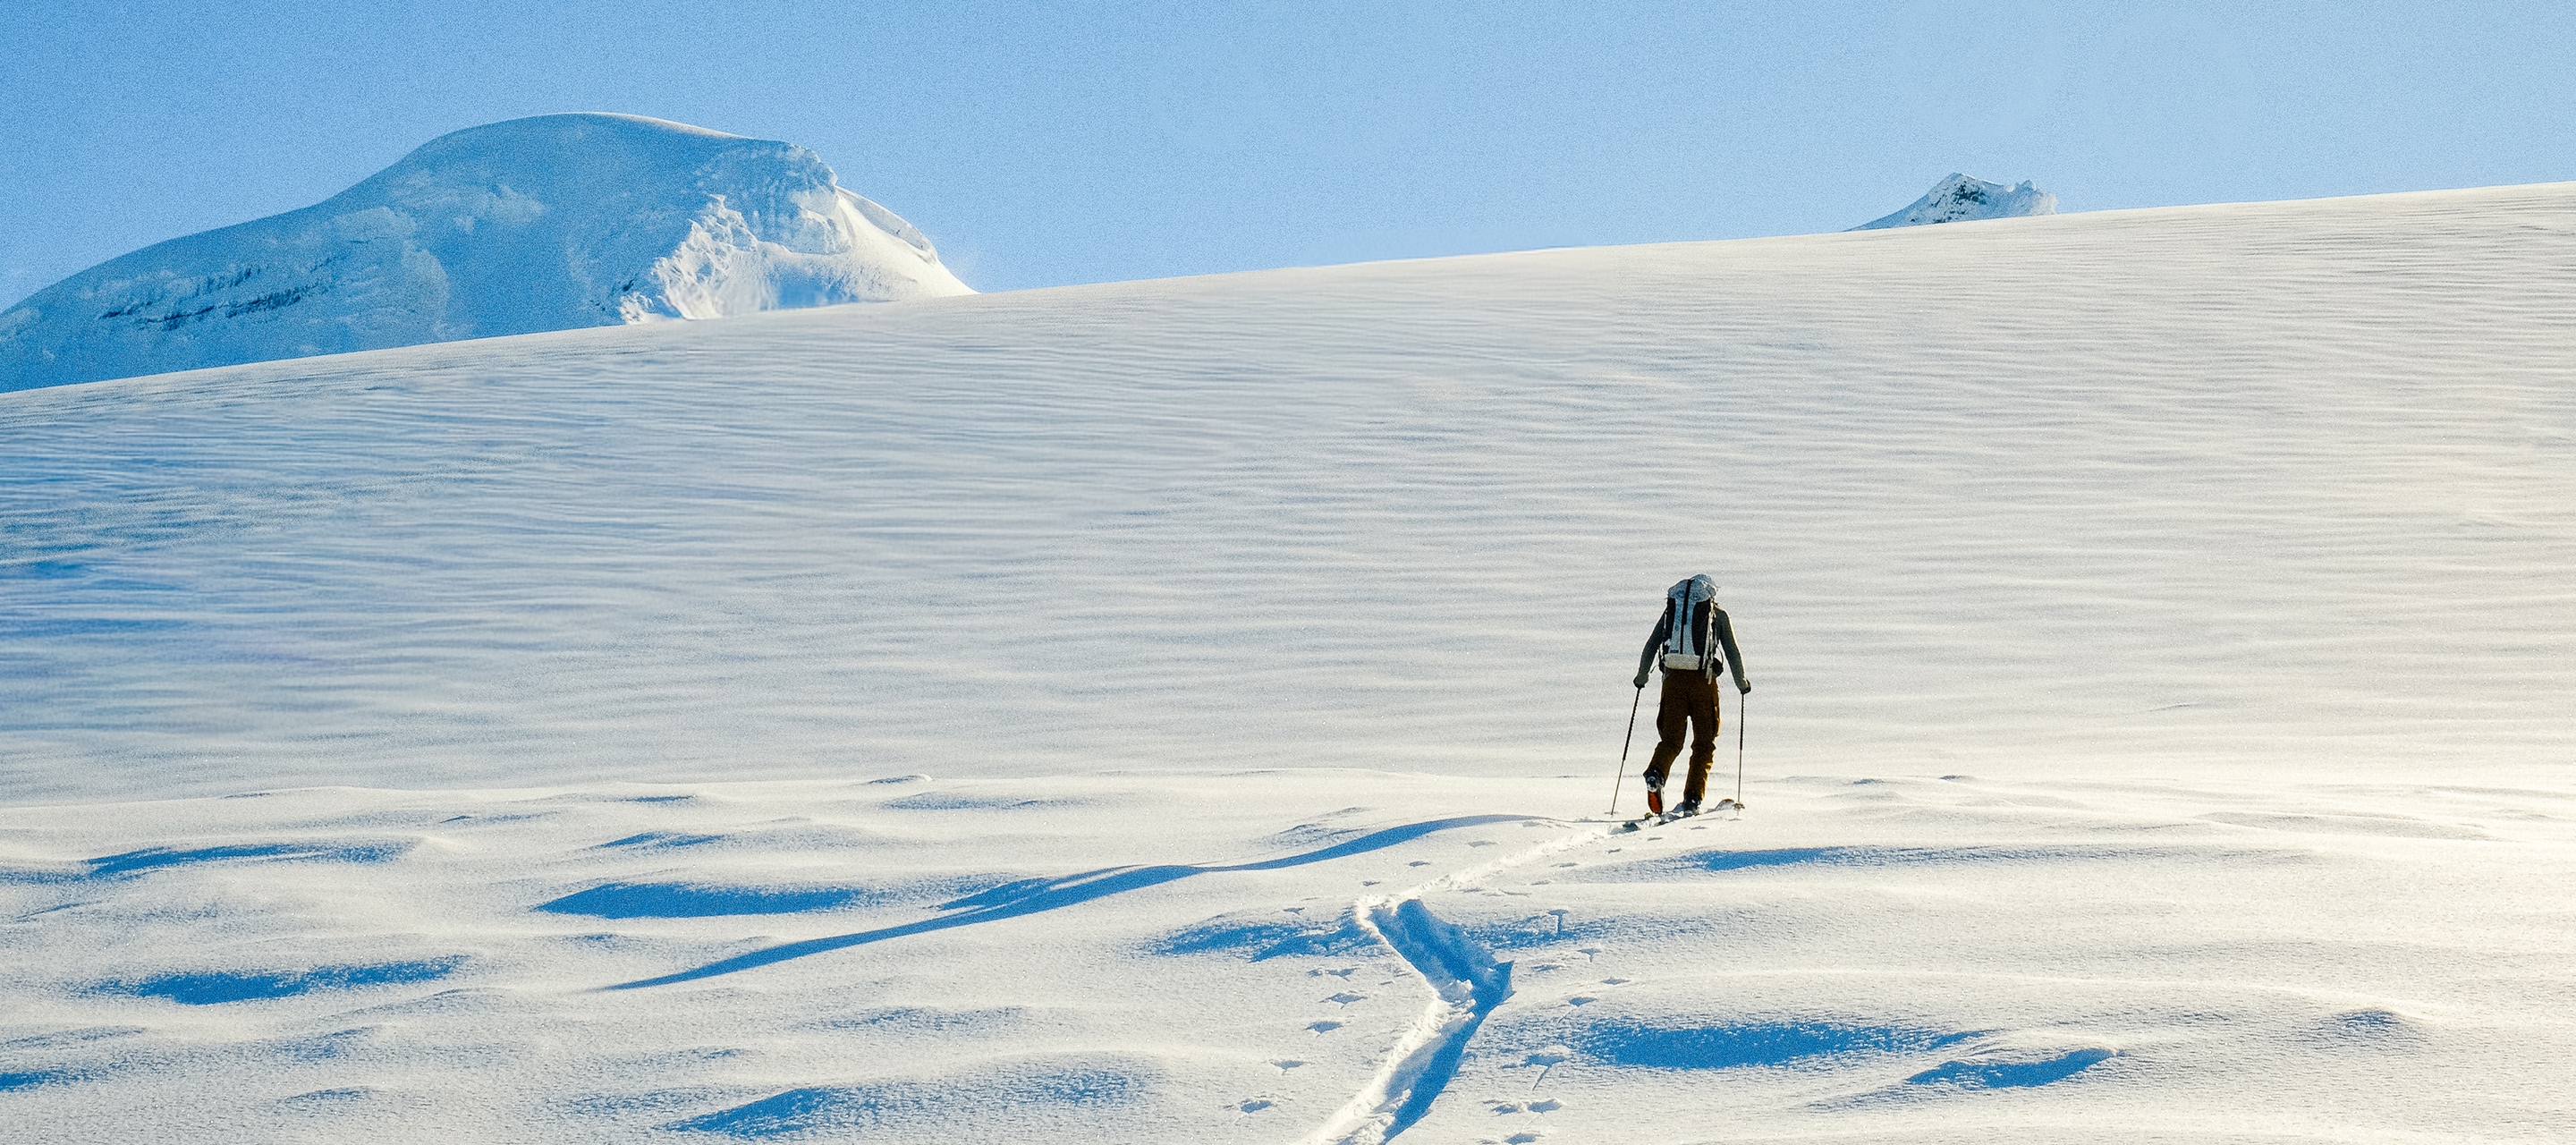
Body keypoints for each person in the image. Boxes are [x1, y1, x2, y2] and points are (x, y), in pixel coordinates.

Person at [1632, 574, 1750, 817]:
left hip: (1672, 681)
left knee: (1671, 740)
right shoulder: (1718, 616)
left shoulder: (1671, 615)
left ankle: (1656, 773)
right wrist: (1742, 684)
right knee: (1704, 744)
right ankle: (1693, 799)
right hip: (1703, 683)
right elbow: (1733, 653)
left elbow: (1651, 646)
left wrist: (1641, 678)